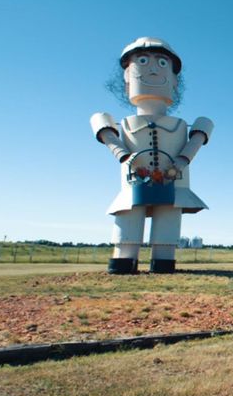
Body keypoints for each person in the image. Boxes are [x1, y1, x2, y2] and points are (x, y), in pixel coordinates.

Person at [90, 37, 214, 274]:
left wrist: (181, 161)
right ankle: (125, 260)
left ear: (175, 81)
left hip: (174, 183)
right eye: (143, 61)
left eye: (162, 63)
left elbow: (197, 138)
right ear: (127, 77)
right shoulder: (125, 123)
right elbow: (103, 129)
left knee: (167, 220)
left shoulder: (180, 125)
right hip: (133, 182)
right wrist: (123, 154)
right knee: (129, 218)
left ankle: (163, 260)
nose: (153, 69)